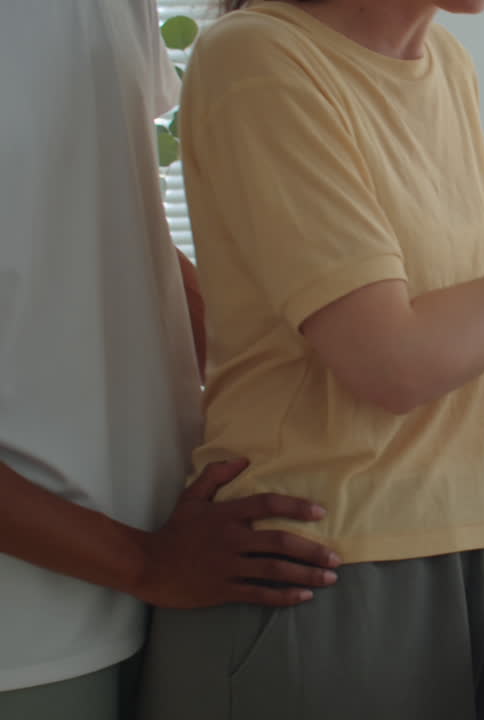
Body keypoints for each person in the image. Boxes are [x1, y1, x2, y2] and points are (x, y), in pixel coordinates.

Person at [137, 0, 484, 718]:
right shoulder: (258, 56)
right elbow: (391, 365)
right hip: (310, 568)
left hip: (460, 550)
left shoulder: (447, 65)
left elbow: (433, 327)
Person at [0, 3, 347, 718]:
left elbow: (123, 223)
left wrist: (321, 361)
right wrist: (144, 562)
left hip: (174, 567)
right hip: (30, 633)